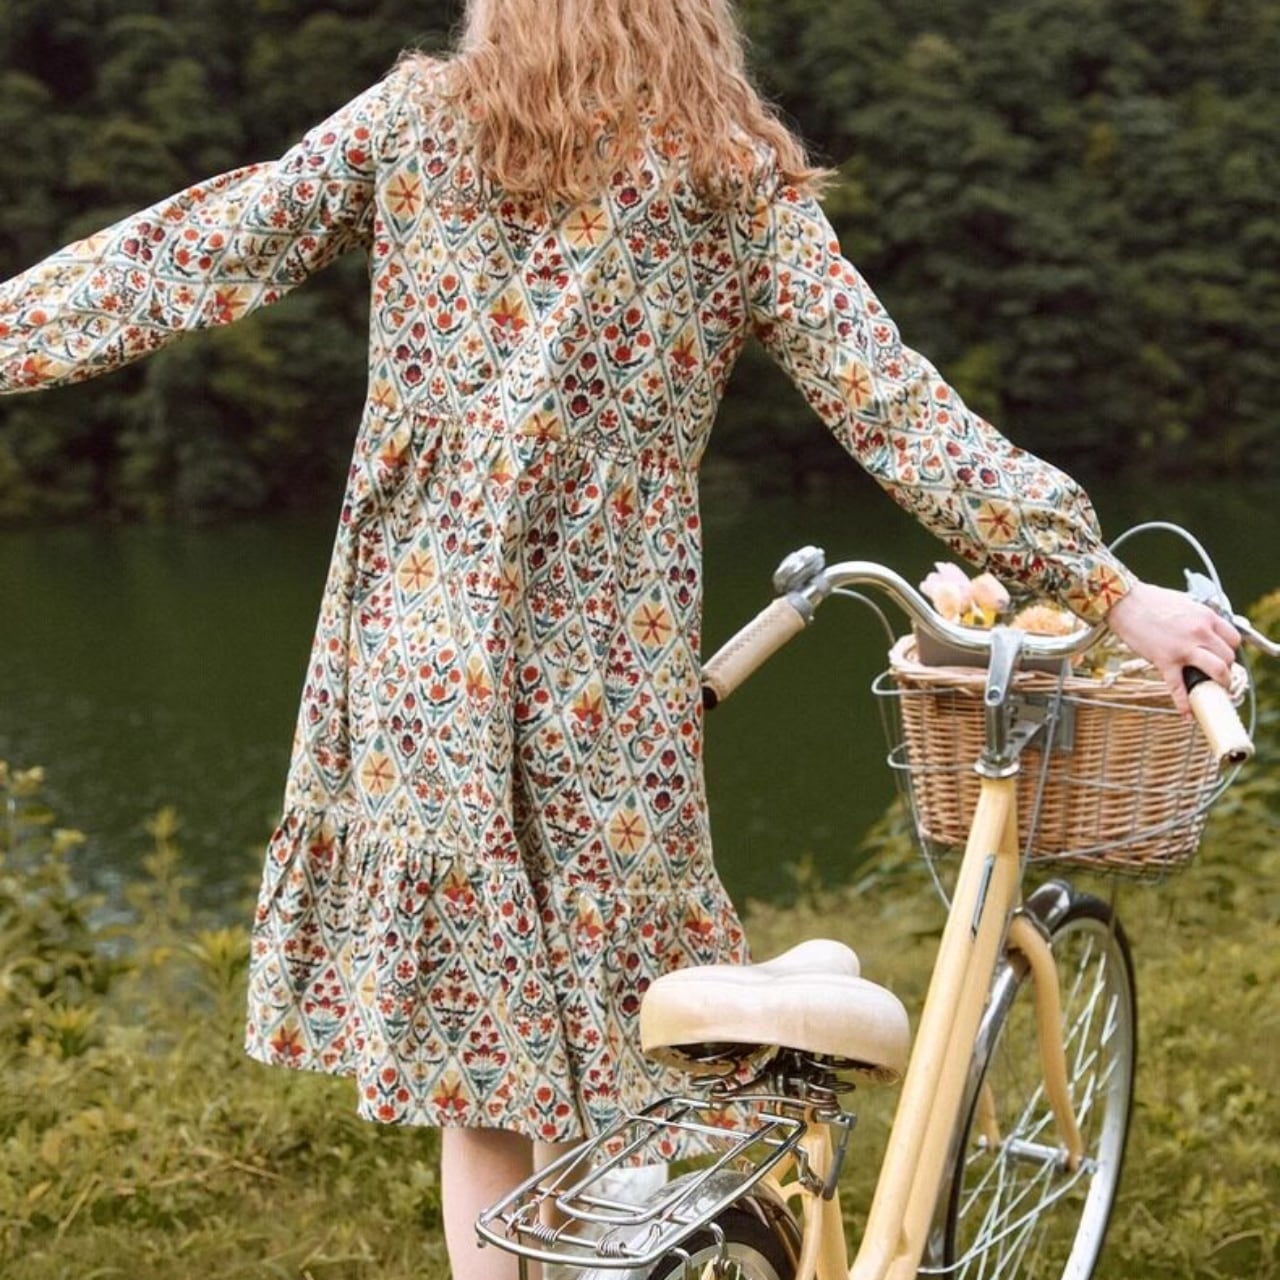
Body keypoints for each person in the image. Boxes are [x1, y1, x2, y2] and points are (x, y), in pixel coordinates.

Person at [0, 2, 1241, 1276]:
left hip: (418, 652)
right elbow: (894, 407)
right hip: (602, 663)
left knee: (484, 1065)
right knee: (624, 1039)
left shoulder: (418, 122)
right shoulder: (727, 177)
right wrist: (1108, 590)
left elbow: (194, 249)